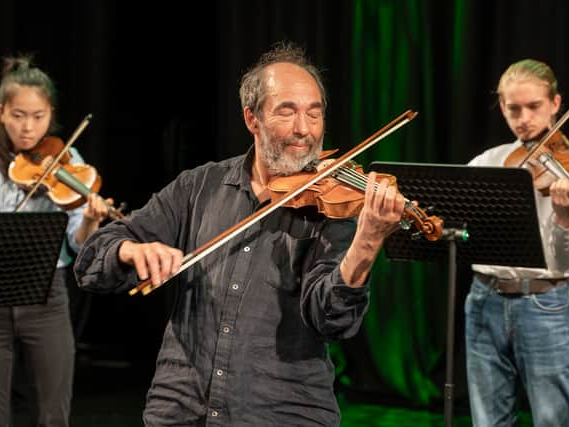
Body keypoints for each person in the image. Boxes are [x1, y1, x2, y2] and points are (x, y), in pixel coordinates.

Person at [74, 42, 405, 426]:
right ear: (252, 118)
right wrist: (130, 251)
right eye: (288, 112)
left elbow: (333, 320)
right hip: (183, 410)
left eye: (314, 115)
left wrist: (367, 242)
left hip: (282, 413)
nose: (304, 130)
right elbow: (92, 259)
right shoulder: (197, 187)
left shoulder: (333, 207)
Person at [464, 59, 569, 427]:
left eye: (534, 107)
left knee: (553, 419)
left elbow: (568, 262)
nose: (523, 118)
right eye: (513, 109)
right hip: (482, 300)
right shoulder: (487, 162)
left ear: (556, 103)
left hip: (544, 304)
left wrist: (566, 216)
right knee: (487, 420)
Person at [0, 55, 112, 426]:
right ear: (2, 111)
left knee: (55, 414)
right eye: (19, 115)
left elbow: (79, 242)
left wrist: (89, 222)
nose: (28, 128)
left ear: (50, 114)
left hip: (46, 293)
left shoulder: (67, 161)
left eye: (38, 117)